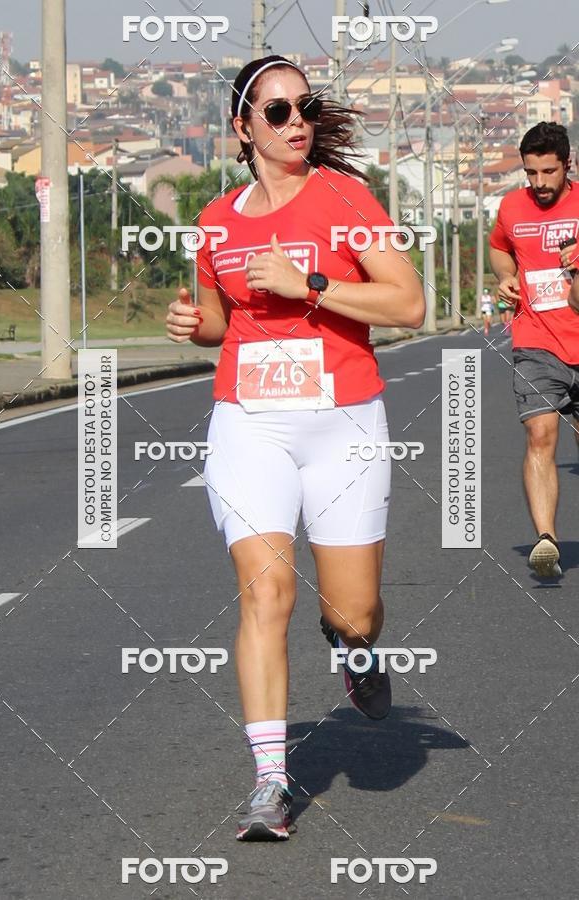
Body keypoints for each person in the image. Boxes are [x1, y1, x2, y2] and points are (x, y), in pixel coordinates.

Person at [166, 55, 425, 840]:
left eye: (304, 107)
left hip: (342, 419)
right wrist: (192, 326)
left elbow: (408, 302)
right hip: (251, 418)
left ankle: (354, 651)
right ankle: (271, 784)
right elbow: (219, 321)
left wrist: (309, 283)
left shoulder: (345, 199)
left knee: (353, 611)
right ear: (243, 128)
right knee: (264, 594)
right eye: (276, 111)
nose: (296, 121)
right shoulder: (216, 220)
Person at [489, 121, 579, 578]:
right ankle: (547, 538)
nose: (540, 183)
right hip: (536, 340)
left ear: (569, 165)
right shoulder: (511, 206)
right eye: (532, 173)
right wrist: (504, 276)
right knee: (540, 434)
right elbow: (499, 248)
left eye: (549, 172)